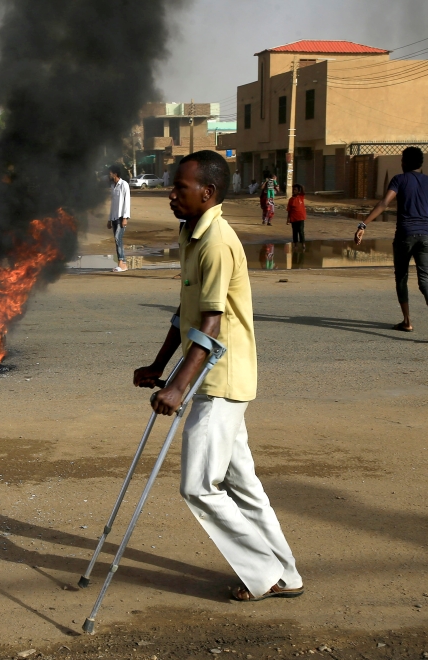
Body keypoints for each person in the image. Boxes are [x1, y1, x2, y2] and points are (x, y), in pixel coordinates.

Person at [134, 150, 303, 602]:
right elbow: (183, 314)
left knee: (197, 487)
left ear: (207, 193)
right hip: (213, 376)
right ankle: (285, 571)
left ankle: (264, 573)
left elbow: (210, 324)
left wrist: (177, 386)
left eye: (180, 188)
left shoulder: (216, 242)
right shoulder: (193, 235)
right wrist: (159, 366)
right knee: (242, 484)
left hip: (221, 380)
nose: (171, 195)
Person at [355, 147, 428, 343]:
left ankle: (407, 321)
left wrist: (363, 224)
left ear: (404, 162)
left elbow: (384, 203)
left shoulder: (399, 180)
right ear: (421, 163)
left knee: (401, 277)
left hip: (405, 236)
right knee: (425, 280)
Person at [108, 164, 131, 272]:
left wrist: (125, 218)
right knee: (117, 240)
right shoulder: (113, 186)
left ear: (115, 174)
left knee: (118, 238)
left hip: (122, 217)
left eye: (110, 173)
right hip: (114, 217)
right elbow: (113, 204)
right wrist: (109, 219)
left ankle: (122, 263)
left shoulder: (124, 185)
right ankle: (122, 264)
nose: (109, 175)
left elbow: (127, 202)